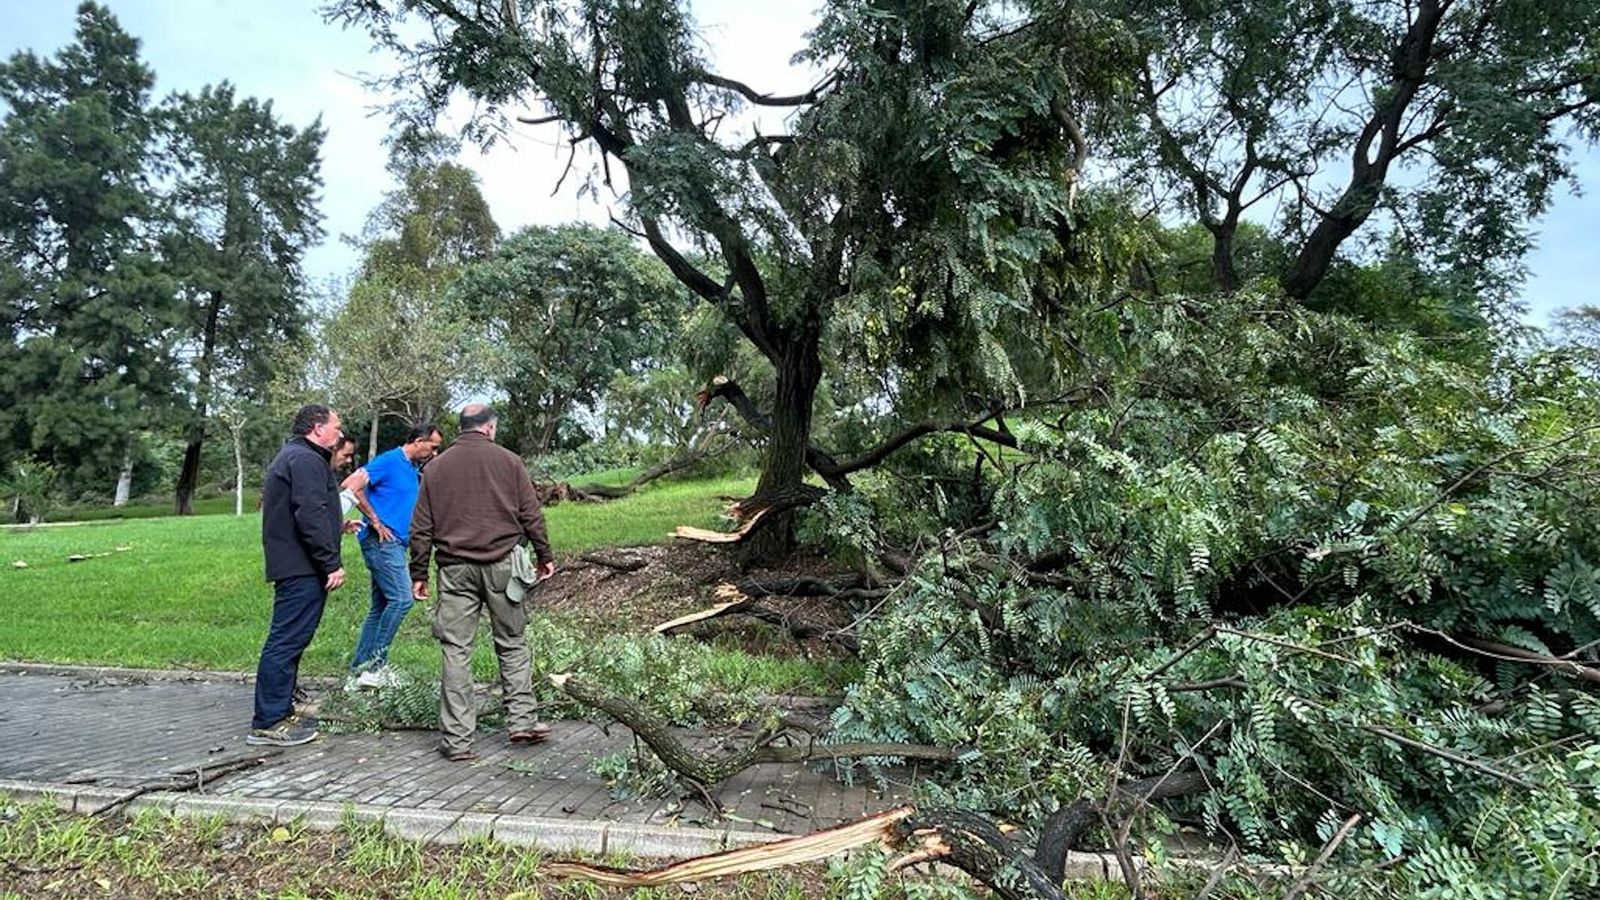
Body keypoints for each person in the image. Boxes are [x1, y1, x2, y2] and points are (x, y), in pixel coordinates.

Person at [410, 404, 555, 761]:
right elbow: (531, 514)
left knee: (456, 650)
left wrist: (419, 572)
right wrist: (544, 555)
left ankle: (457, 741)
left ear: (461, 428)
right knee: (512, 642)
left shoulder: (434, 468)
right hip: (503, 565)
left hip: (454, 569)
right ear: (489, 428)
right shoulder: (509, 462)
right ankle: (522, 722)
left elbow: (421, 526)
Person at [251, 404, 347, 747]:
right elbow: (309, 514)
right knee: (286, 641)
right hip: (301, 567)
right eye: (336, 426)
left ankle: (281, 709)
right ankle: (268, 721)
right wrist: (330, 562)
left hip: (297, 564)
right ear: (317, 428)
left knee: (292, 640)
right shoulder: (305, 460)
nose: (340, 432)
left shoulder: (296, 456)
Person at [341, 423, 443, 688]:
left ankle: (358, 674)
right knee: (401, 599)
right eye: (433, 447)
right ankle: (376, 666)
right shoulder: (389, 461)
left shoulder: (411, 468)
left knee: (381, 607)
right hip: (383, 543)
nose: (434, 453)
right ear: (418, 441)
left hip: (395, 544)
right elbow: (351, 485)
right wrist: (375, 520)